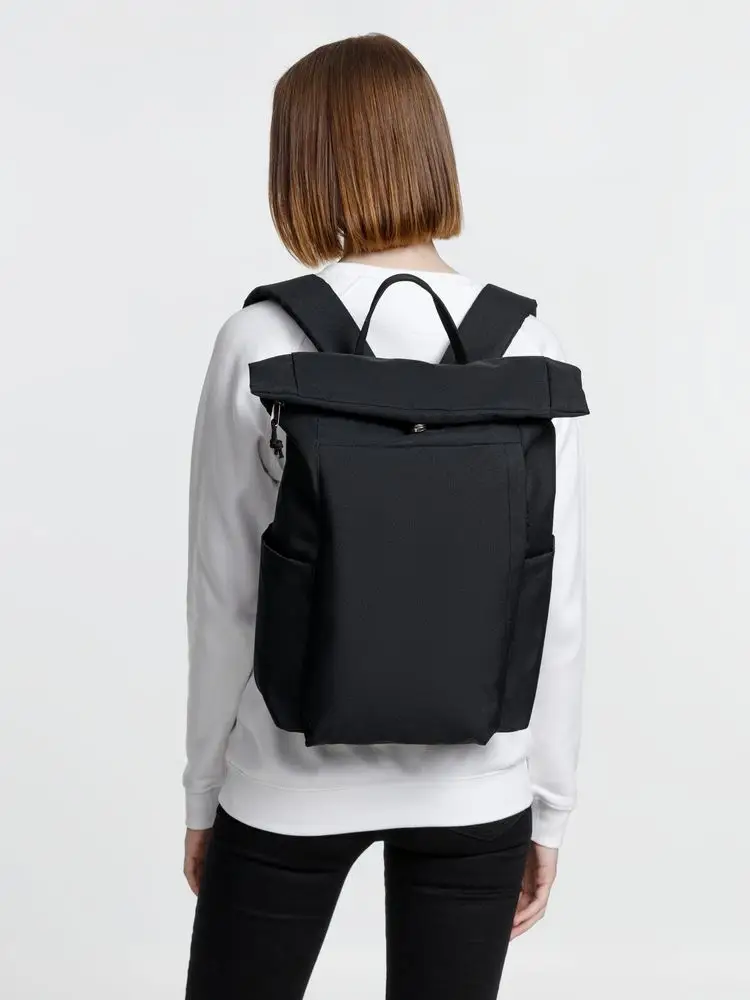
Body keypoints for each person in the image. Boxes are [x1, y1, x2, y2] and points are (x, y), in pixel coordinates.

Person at [182, 33, 586, 1000]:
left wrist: (203, 791)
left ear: (302, 164)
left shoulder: (262, 336)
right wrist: (550, 807)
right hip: (478, 789)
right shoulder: (527, 343)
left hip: (287, 782)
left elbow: (224, 594)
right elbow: (557, 600)